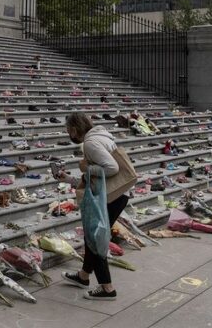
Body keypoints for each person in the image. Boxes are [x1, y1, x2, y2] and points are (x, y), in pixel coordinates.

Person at [59, 112, 131, 300]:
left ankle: (107, 289)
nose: (69, 134)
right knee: (93, 236)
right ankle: (83, 276)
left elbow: (112, 168)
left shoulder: (90, 143)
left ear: (74, 129)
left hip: (112, 196)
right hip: (118, 194)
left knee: (96, 237)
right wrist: (69, 179)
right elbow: (96, 178)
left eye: (68, 130)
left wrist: (86, 168)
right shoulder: (100, 136)